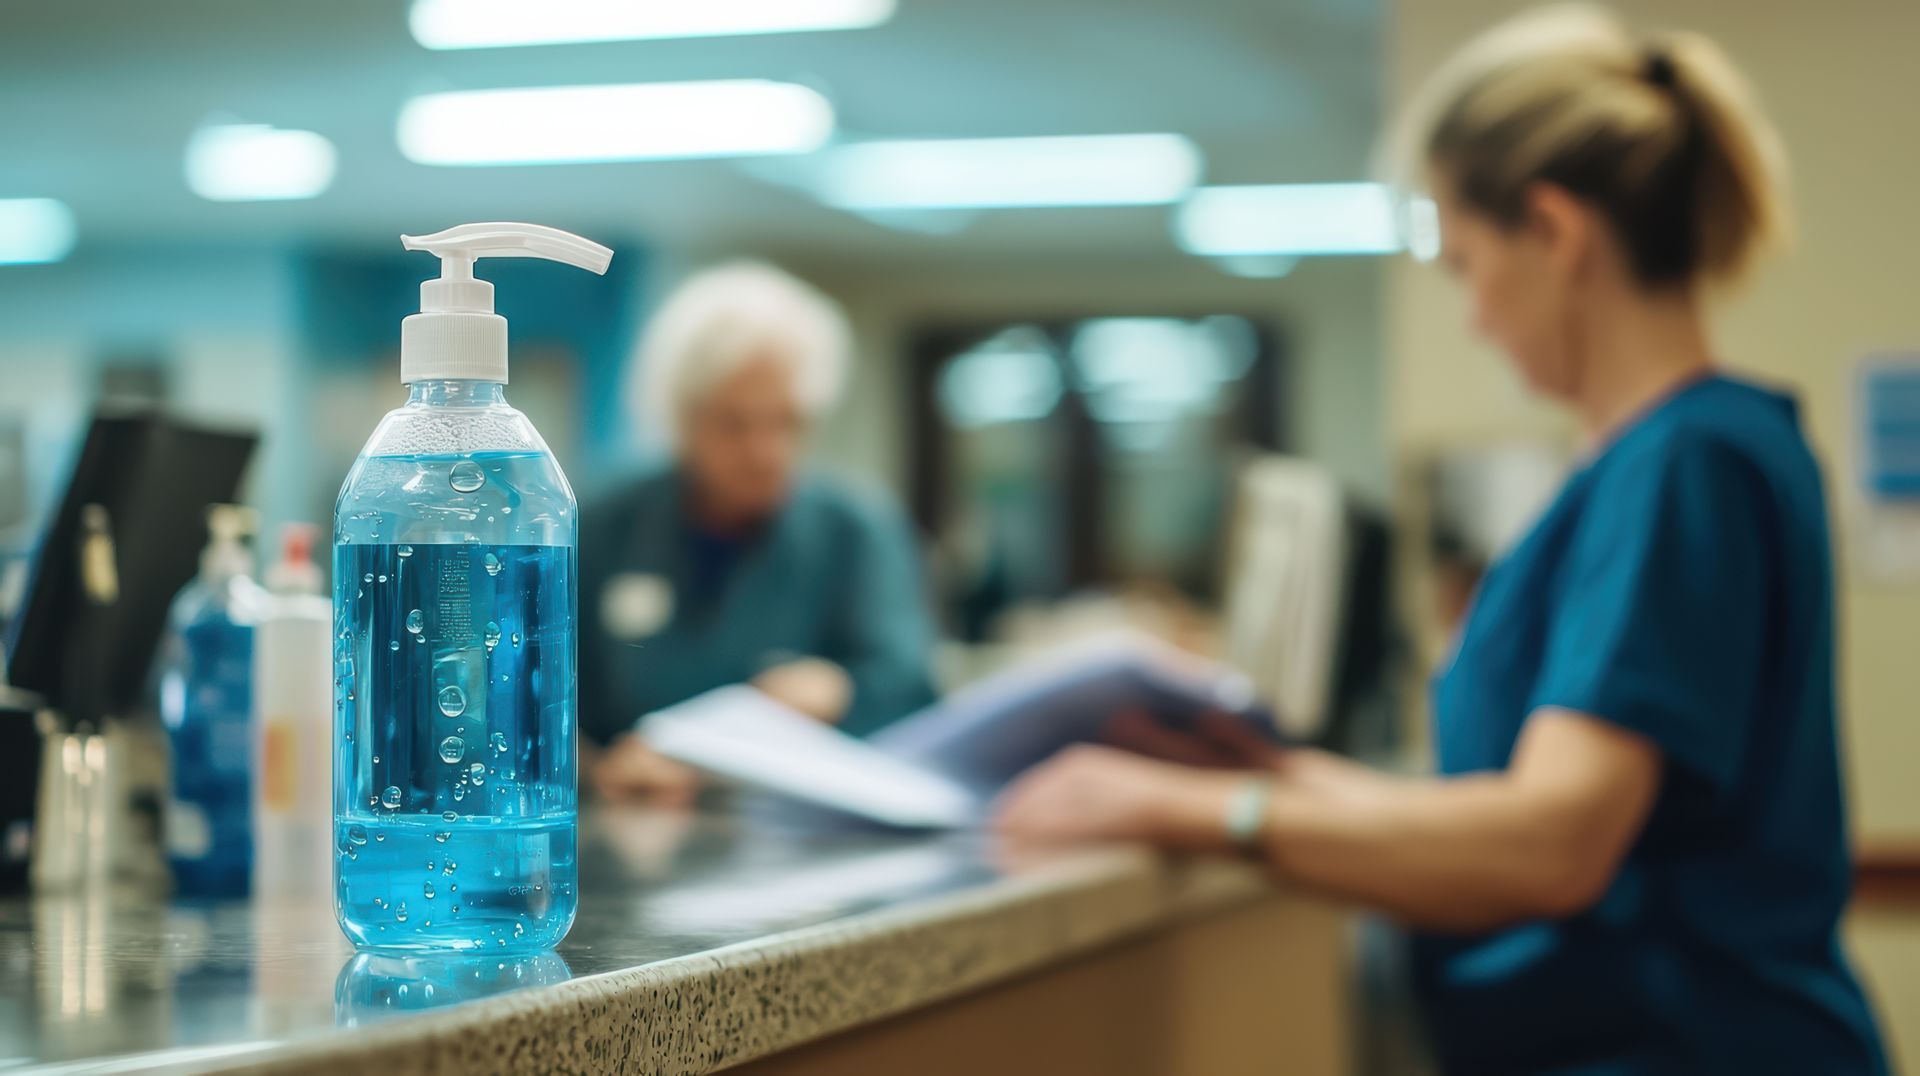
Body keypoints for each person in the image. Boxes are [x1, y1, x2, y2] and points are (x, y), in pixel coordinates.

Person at [994, 6, 1889, 1073]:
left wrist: (1195, 807)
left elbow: (1553, 843)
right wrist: (1280, 772)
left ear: (1555, 233)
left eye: (1463, 261)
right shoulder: (1683, 459)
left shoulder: (1685, 462)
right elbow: (1520, 807)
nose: (1469, 313)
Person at [580, 261, 939, 803]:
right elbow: (538, 697)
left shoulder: (854, 530)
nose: (765, 452)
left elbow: (912, 688)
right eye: (735, 424)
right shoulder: (602, 526)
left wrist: (838, 690)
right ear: (681, 417)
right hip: (636, 823)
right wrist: (596, 769)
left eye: (787, 422)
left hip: (803, 827)